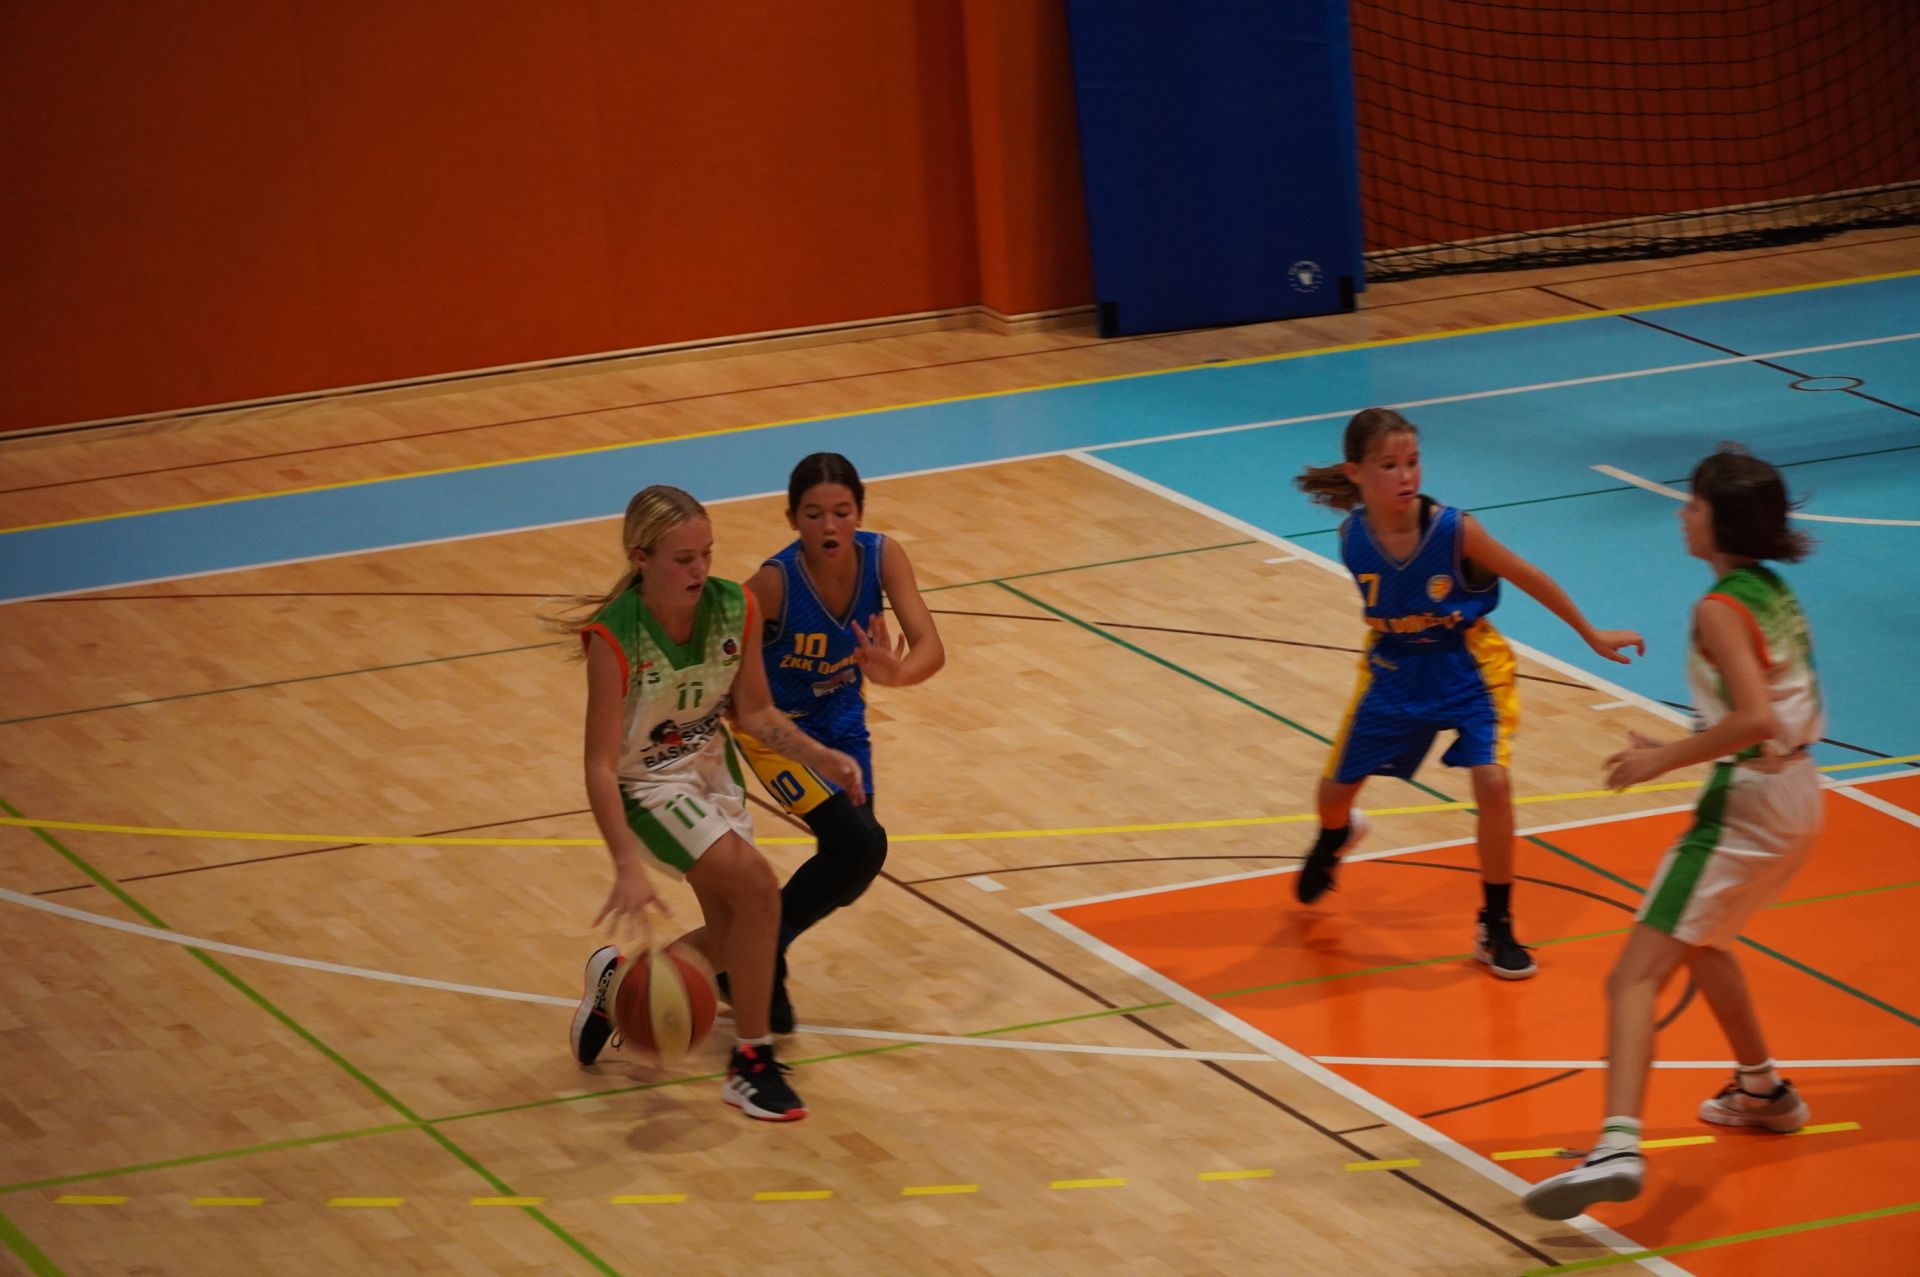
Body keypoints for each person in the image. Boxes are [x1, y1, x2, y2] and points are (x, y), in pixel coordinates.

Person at [1524, 444, 1823, 1219]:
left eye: (1694, 503)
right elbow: (1770, 712)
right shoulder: (1769, 590)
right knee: (1705, 941)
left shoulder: (1719, 608)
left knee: (1630, 977)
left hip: (1750, 805)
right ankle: (1764, 1091)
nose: (1683, 513)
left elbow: (1753, 719)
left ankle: (1618, 1142)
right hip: (1800, 794)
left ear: (1721, 521)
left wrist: (1662, 759)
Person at [1293, 408, 1644, 978]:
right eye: (1389, 465)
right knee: (1333, 794)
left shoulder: (1454, 530)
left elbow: (1529, 576)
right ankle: (1338, 833)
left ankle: (1495, 925)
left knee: (1493, 782)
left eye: (1413, 462)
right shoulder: (1351, 536)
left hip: (1468, 665)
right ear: (1356, 473)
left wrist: (1590, 632)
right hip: (1394, 668)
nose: (1406, 475)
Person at [555, 484, 867, 1122]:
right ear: (642, 558)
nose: (700, 569)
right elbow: (598, 764)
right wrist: (626, 865)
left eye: (707, 554)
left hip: (709, 774)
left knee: (732, 932)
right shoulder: (614, 638)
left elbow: (755, 713)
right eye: (683, 559)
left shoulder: (735, 607)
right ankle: (751, 1064)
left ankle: (620, 989)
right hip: (646, 786)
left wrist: (823, 757)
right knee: (760, 890)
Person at [730, 453, 945, 1033]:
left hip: (843, 721)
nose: (829, 526)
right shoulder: (773, 584)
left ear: (860, 514)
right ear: (792, 519)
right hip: (777, 729)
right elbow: (720, 651)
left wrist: (898, 673)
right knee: (858, 844)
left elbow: (930, 646)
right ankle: (759, 960)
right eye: (814, 514)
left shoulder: (883, 556)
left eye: (842, 512)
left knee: (857, 858)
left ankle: (752, 956)